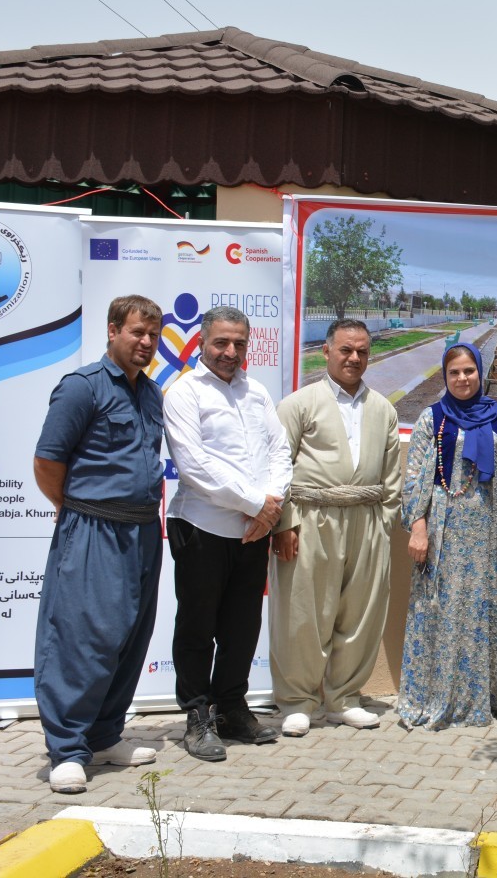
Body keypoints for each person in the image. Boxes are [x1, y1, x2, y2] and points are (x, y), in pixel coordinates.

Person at [32, 295, 165, 794]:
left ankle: (106, 736)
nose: (146, 343)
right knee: (81, 637)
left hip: (142, 530)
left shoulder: (152, 394)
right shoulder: (81, 389)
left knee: (129, 636)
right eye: (137, 333)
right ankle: (66, 748)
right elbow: (47, 464)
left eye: (153, 335)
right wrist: (79, 511)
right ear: (113, 331)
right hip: (92, 528)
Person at [163, 304, 293, 760]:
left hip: (253, 533)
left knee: (242, 626)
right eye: (221, 342)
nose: (230, 351)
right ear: (202, 342)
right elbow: (194, 467)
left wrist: (270, 508)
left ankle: (232, 708)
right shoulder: (183, 394)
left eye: (239, 343)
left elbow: (280, 452)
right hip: (202, 526)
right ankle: (198, 715)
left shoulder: (256, 393)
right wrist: (258, 504)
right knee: (198, 627)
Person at [269, 319, 402, 737]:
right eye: (346, 349)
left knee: (360, 613)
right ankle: (297, 701)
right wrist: (284, 524)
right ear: (325, 351)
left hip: (366, 519)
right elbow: (277, 467)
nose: (354, 358)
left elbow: (393, 476)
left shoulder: (383, 408)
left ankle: (344, 697)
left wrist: (383, 524)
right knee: (303, 612)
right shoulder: (298, 403)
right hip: (310, 518)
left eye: (362, 350)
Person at [397, 340, 497, 728]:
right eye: (454, 373)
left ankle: (482, 696)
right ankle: (436, 695)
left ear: (480, 372)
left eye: (469, 371)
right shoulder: (434, 418)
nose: (462, 379)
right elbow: (414, 477)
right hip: (443, 531)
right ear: (445, 377)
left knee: (482, 611)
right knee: (439, 612)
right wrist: (418, 529)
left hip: (487, 530)